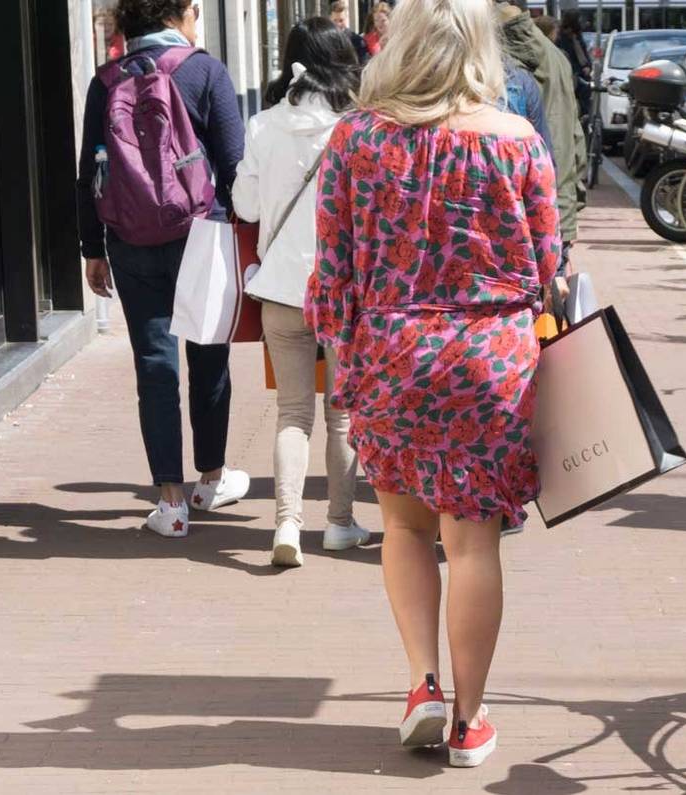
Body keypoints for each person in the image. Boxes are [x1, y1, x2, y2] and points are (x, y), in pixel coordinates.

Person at [304, 0, 559, 768]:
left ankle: (422, 684)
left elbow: (332, 271)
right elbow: (547, 266)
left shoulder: (355, 138)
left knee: (405, 528)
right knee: (474, 541)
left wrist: (345, 352)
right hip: (490, 360)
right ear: (480, 46)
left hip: (392, 352)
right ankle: (471, 719)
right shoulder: (516, 142)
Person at [76, 0, 250, 538]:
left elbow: (89, 172)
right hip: (201, 232)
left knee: (155, 363)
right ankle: (212, 478)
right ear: (181, 14)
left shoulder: (106, 81)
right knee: (209, 356)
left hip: (131, 239)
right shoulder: (205, 70)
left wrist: (93, 248)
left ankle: (170, 501)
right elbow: (237, 162)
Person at [233, 18, 371, 568]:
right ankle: (339, 524)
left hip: (281, 290)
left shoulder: (263, 124)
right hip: (342, 292)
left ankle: (287, 524)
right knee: (342, 415)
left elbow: (245, 207)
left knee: (292, 412)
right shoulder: (358, 126)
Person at [496, 0, 585, 278]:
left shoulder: (499, 66)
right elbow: (575, 137)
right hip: (557, 202)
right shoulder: (555, 55)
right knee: (552, 311)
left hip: (523, 216)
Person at [556, 11, 592, 119]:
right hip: (571, 72)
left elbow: (583, 53)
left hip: (580, 72)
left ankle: (584, 114)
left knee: (585, 91)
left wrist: (587, 66)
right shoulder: (561, 38)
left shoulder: (577, 37)